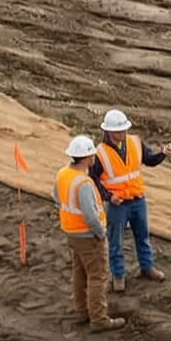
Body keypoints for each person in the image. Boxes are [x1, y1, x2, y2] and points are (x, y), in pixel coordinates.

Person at [90, 109, 168, 292]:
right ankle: (118, 276)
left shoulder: (135, 142)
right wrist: (109, 197)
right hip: (118, 205)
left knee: (143, 236)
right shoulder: (99, 153)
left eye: (124, 130)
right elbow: (93, 179)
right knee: (115, 241)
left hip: (137, 199)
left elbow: (148, 159)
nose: (123, 134)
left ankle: (147, 267)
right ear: (109, 132)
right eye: (119, 131)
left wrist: (162, 154)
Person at [57, 136, 123, 329]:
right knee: (98, 276)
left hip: (72, 233)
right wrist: (101, 233)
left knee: (79, 273)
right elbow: (90, 216)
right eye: (92, 154)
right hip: (88, 236)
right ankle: (99, 319)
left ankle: (82, 312)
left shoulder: (63, 174)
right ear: (87, 158)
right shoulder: (83, 183)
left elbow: (56, 196)